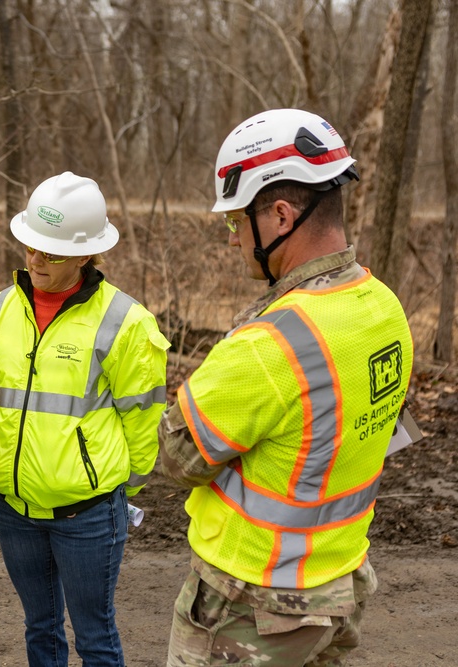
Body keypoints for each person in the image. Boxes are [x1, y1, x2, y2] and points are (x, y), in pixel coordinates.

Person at [159, 108, 414, 666]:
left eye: (235, 222)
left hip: (249, 605)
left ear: (279, 215)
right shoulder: (386, 309)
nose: (231, 240)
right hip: (339, 590)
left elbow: (176, 457)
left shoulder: (270, 345)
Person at [0, 172, 170, 667]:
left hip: (88, 515)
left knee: (94, 636)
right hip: (13, 507)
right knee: (39, 628)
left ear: (85, 255)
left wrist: (123, 494)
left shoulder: (127, 322)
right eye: (30, 247)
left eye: (52, 253)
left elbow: (144, 423)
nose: (36, 260)